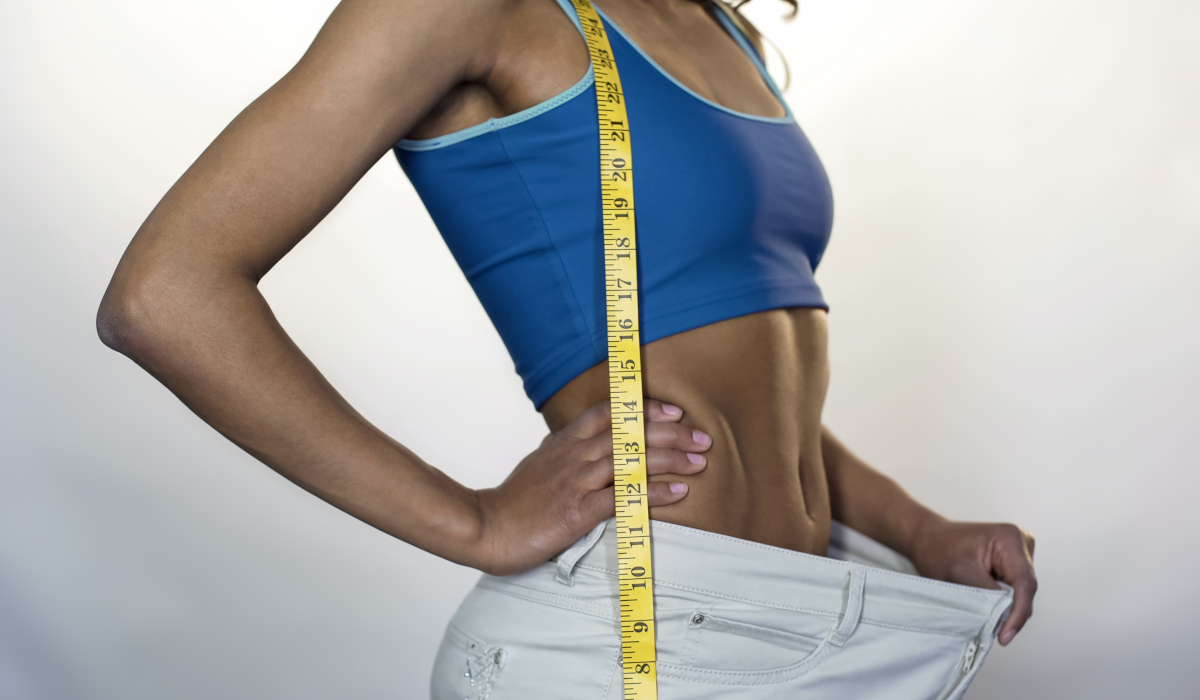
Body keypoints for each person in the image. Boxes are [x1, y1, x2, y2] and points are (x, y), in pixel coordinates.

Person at [96, 0, 1038, 697]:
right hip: (623, 638)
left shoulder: (730, 32)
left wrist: (919, 532)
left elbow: (741, 395)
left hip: (810, 610)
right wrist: (472, 521)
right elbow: (165, 295)